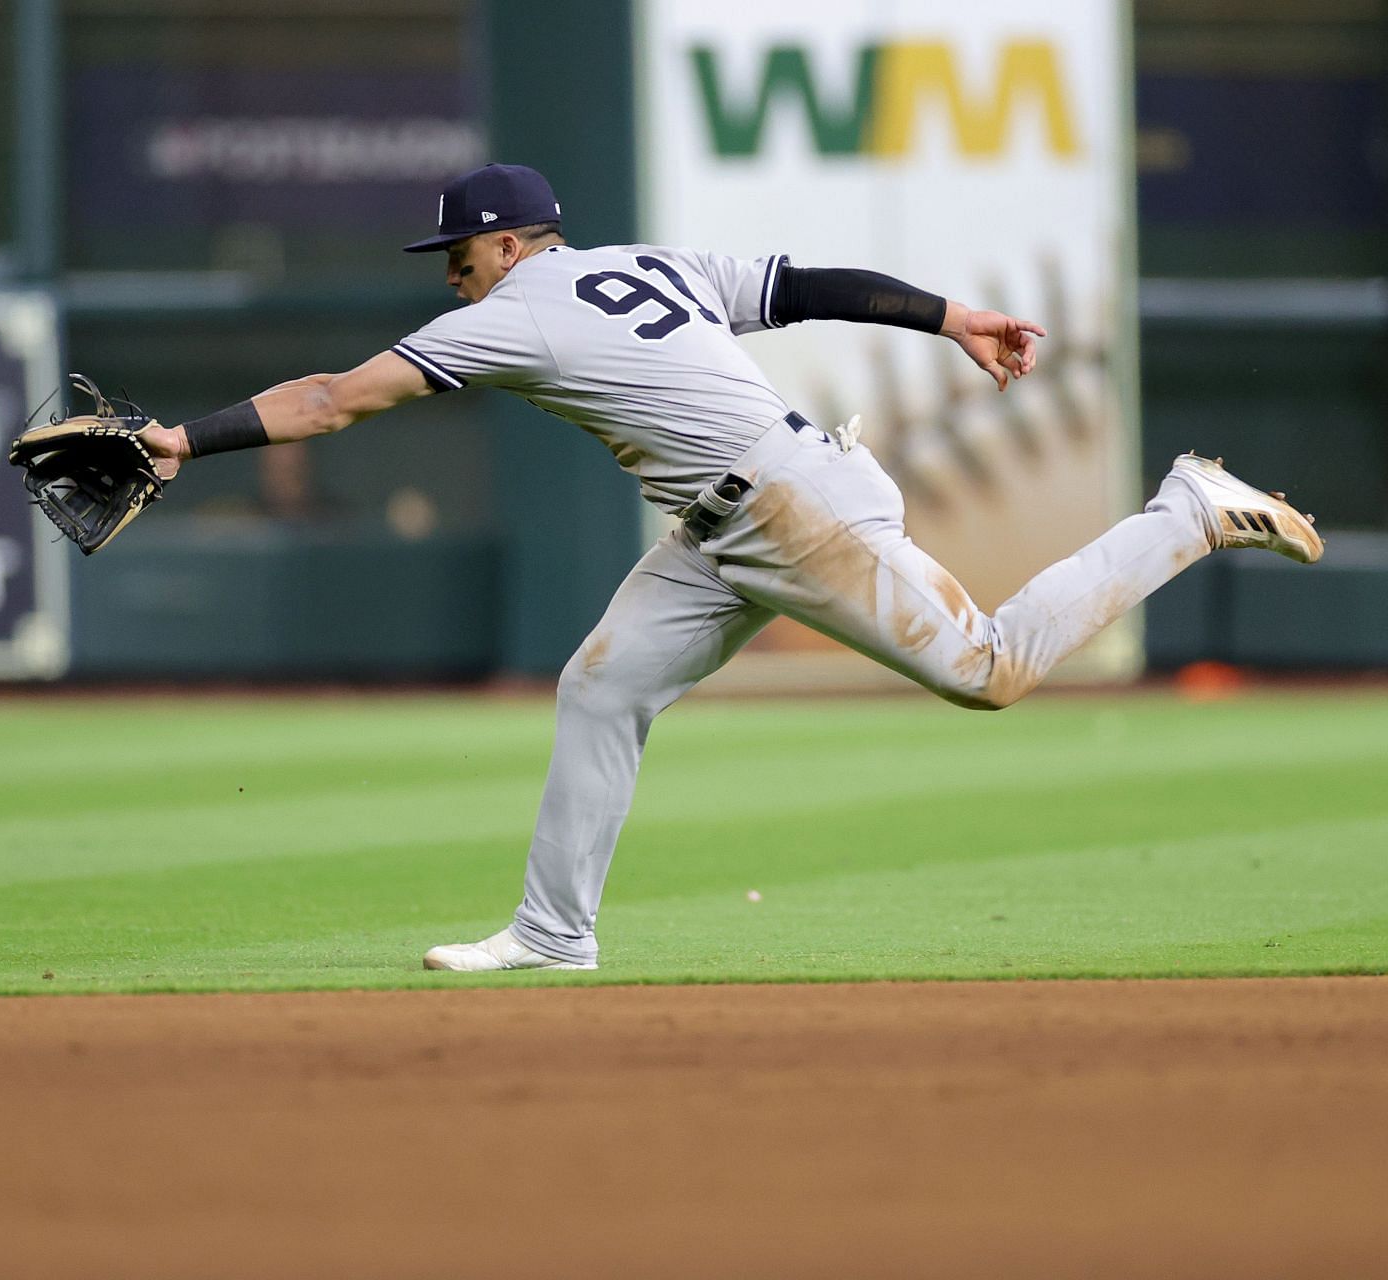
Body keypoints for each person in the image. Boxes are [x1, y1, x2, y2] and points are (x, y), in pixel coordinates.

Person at [141, 163, 1323, 973]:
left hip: (789, 508)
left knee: (989, 670)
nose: (450, 272)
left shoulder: (510, 311)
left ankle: (1188, 511)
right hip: (728, 524)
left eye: (459, 252)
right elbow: (808, 288)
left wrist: (188, 439)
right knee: (600, 686)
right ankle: (555, 934)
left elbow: (334, 401)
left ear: (508, 243)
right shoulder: (648, 264)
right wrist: (952, 313)